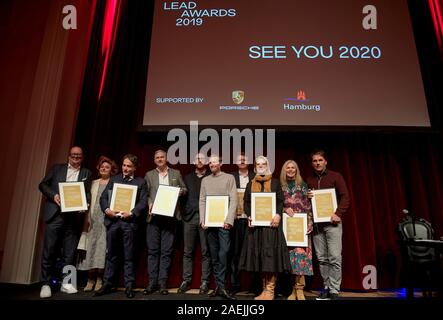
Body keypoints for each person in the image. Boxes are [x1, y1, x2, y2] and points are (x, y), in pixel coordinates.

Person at [38, 146, 92, 298]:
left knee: (70, 252)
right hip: (55, 215)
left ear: (82, 157)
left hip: (73, 217)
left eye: (79, 155)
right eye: (73, 154)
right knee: (49, 250)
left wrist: (86, 204)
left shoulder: (86, 173)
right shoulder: (57, 169)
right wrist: (54, 195)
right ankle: (46, 284)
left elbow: (87, 193)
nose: (76, 157)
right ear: (69, 156)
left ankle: (67, 283)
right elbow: (42, 185)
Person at [95, 154, 148, 298]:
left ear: (135, 167)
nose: (125, 168)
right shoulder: (115, 179)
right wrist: (107, 210)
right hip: (113, 223)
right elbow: (103, 197)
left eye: (129, 166)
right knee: (111, 255)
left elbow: (143, 203)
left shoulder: (141, 182)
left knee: (129, 256)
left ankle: (129, 286)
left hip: (129, 224)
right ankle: (107, 284)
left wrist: (131, 213)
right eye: (124, 165)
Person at [239, 155, 291, 300]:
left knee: (271, 258)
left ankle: (270, 291)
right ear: (255, 167)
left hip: (271, 227)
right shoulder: (251, 184)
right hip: (257, 228)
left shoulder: (275, 183)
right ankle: (264, 291)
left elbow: (280, 202)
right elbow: (247, 203)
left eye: (263, 164)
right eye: (258, 164)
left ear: (267, 165)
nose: (261, 166)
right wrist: (250, 216)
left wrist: (278, 215)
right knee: (261, 259)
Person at [306, 149, 350, 300]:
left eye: (320, 160)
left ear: (325, 161)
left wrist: (338, 213)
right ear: (312, 163)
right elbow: (306, 205)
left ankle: (334, 290)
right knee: (322, 258)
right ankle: (326, 287)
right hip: (317, 225)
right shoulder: (309, 180)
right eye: (314, 161)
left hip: (333, 223)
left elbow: (345, 197)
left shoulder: (335, 176)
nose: (317, 163)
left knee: (335, 257)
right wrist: (307, 197)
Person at [143, 150, 187, 295]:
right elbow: (146, 194)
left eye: (162, 157)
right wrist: (149, 203)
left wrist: (176, 192)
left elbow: (184, 189)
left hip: (170, 217)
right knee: (153, 251)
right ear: (154, 160)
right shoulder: (149, 175)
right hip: (154, 218)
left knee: (166, 252)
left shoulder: (176, 173)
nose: (160, 159)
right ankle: (152, 283)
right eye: (157, 157)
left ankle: (162, 283)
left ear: (166, 158)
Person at [77, 156, 118, 293]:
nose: (104, 168)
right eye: (102, 167)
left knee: (102, 249)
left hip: (106, 221)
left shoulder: (114, 183)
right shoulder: (93, 183)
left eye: (107, 167)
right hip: (92, 220)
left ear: (111, 169)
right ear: (98, 168)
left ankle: (100, 279)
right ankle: (90, 279)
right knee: (90, 248)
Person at [199, 155, 237, 300]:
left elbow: (233, 200)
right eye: (210, 162)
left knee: (224, 253)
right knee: (214, 255)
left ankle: (221, 286)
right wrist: (203, 219)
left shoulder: (229, 178)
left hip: (223, 224)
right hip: (209, 223)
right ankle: (219, 287)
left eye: (215, 162)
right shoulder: (205, 180)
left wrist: (229, 220)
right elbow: (202, 200)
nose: (212, 164)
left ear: (220, 163)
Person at [177, 153, 211, 295]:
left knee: (205, 252)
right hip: (190, 218)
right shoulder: (187, 177)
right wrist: (184, 213)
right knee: (187, 252)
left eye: (202, 158)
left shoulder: (210, 177)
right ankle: (186, 280)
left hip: (206, 218)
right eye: (197, 158)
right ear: (193, 161)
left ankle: (204, 282)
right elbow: (182, 197)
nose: (199, 161)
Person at [280, 160, 313, 300]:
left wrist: (310, 222)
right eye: (288, 167)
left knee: (301, 256)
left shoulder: (303, 186)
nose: (291, 170)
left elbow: (309, 205)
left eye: (293, 167)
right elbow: (275, 205)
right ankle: (291, 290)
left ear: (296, 170)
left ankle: (299, 289)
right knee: (290, 258)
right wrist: (283, 209)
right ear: (284, 170)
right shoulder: (280, 186)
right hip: (287, 227)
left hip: (301, 227)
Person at [228, 153, 256, 294]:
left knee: (253, 252)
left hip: (253, 220)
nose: (242, 160)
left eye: (245, 158)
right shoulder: (230, 176)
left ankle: (253, 286)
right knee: (235, 253)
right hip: (236, 220)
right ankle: (235, 285)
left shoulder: (256, 176)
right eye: (239, 159)